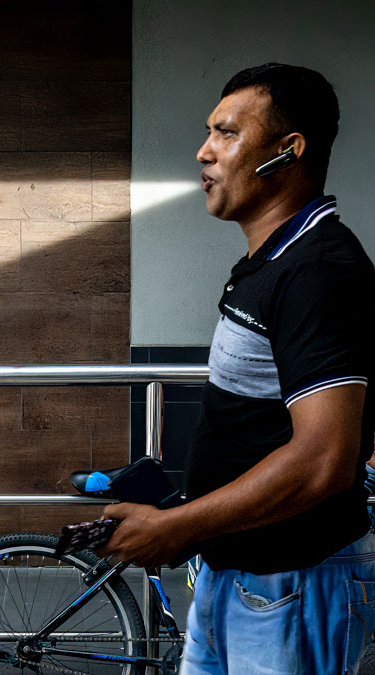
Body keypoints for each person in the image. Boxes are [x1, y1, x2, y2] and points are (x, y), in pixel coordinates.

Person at [101, 63, 375, 672]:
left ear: (287, 151)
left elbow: (324, 460)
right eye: (209, 132)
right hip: (235, 577)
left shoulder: (317, 271)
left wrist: (179, 527)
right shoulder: (271, 263)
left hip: (293, 588)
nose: (204, 151)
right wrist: (189, 524)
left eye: (226, 133)